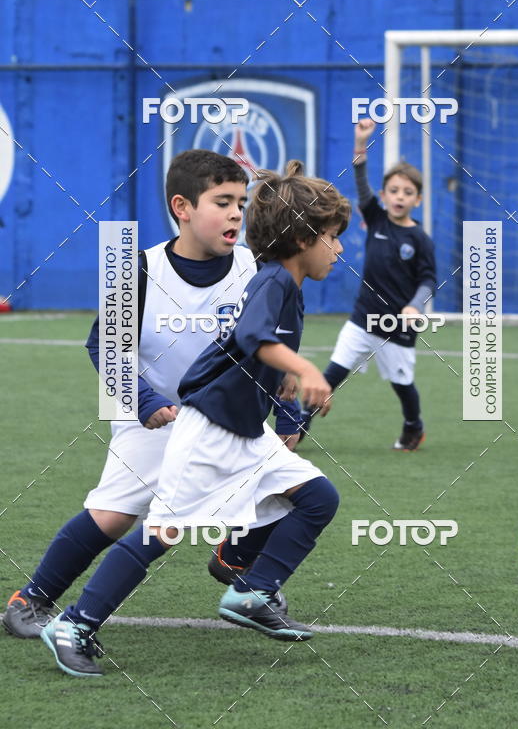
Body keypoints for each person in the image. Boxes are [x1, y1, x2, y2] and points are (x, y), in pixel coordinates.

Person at [40, 160, 351, 676]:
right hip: (207, 429)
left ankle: (251, 592)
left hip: (247, 431)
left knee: (319, 497)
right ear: (301, 238)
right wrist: (300, 367)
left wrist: (286, 389)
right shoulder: (272, 281)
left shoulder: (273, 278)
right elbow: (253, 338)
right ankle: (74, 623)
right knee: (155, 533)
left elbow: (254, 351)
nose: (339, 250)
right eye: (333, 238)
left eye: (240, 204)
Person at [4, 149, 300, 639]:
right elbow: (104, 346)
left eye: (241, 202)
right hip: (155, 419)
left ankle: (237, 564)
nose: (235, 213)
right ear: (182, 208)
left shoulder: (255, 270)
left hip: (230, 418)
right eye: (222, 201)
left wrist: (289, 414)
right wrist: (143, 402)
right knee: (113, 516)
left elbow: (275, 348)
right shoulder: (139, 271)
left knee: (296, 493)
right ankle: (30, 599)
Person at [300, 118, 436, 451]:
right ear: (384, 195)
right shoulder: (375, 217)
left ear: (417, 199)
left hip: (395, 326)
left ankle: (413, 427)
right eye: (394, 190)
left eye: (408, 192)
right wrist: (361, 144)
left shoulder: (419, 238)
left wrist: (414, 305)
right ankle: (296, 427)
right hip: (362, 318)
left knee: (403, 385)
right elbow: (360, 181)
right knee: (332, 374)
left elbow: (429, 279)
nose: (399, 197)